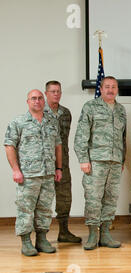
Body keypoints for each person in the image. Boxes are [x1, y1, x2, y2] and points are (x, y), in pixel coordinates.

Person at [4, 89, 62, 256]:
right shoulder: (19, 122)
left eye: (40, 98)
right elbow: (9, 146)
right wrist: (16, 170)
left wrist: (58, 168)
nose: (37, 101)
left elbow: (58, 146)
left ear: (44, 101)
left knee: (45, 209)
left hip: (48, 173)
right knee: (26, 209)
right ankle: (26, 242)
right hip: (28, 175)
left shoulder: (52, 121)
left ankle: (42, 239)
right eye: (33, 98)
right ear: (28, 102)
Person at [74, 76, 127, 250]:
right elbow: (81, 135)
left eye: (113, 87)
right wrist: (83, 159)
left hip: (114, 161)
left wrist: (122, 160)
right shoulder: (90, 107)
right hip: (95, 160)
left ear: (117, 89)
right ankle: (92, 234)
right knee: (93, 198)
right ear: (101, 89)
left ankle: (105, 234)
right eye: (107, 87)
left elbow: (123, 138)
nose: (110, 90)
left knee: (111, 199)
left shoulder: (120, 110)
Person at [44, 80, 81, 243]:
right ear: (46, 93)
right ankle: (41, 236)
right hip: (43, 162)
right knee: (42, 199)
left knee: (65, 196)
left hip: (63, 162)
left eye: (58, 91)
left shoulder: (66, 113)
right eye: (52, 91)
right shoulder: (39, 111)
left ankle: (64, 231)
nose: (56, 94)